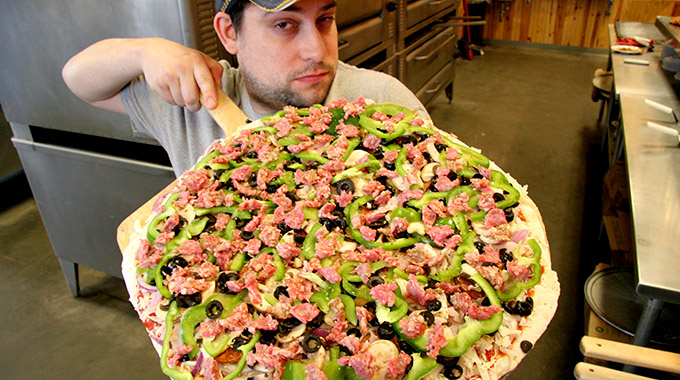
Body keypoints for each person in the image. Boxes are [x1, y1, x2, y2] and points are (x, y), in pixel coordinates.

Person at [62, 0, 429, 176]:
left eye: (325, 20)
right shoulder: (198, 100)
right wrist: (141, 50)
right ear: (229, 33)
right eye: (285, 24)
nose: (317, 50)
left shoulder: (382, 101)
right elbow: (79, 80)